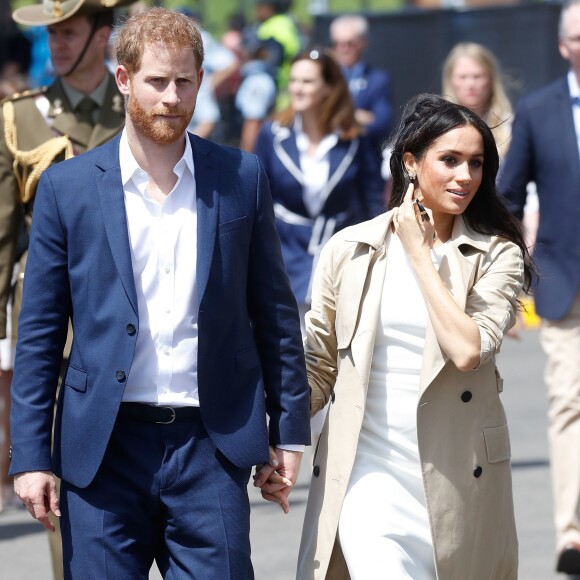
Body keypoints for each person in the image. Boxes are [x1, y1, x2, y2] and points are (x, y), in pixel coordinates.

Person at [9, 7, 310, 579]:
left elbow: (274, 313)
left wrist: (288, 431)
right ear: (124, 80)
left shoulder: (239, 177)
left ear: (201, 80)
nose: (171, 97)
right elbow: (40, 334)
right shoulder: (67, 189)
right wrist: (29, 456)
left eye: (185, 82)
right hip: (102, 449)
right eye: (156, 81)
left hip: (210, 447)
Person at [297, 93, 534, 579]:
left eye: (476, 163)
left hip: (457, 479)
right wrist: (274, 438)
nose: (465, 176)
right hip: (369, 478)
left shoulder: (495, 254)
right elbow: (318, 365)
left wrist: (421, 255)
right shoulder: (351, 249)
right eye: (449, 160)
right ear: (410, 162)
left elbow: (468, 349)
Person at [0, 0, 132, 575]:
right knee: (59, 470)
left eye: (69, 31)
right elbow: (4, 236)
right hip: (50, 320)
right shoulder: (21, 117)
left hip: (127, 314)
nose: (56, 43)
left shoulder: (141, 106)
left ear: (101, 36)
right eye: (50, 33)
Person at [498, 0, 580, 574]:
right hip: (565, 286)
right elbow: (506, 194)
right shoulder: (538, 110)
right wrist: (507, 272)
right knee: (569, 406)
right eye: (579, 36)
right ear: (562, 45)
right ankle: (573, 536)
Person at [254, 48, 385, 332]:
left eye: (308, 82)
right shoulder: (272, 134)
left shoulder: (354, 138)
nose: (297, 88)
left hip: (340, 255)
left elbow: (371, 199)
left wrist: (379, 251)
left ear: (328, 88)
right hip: (285, 253)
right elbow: (257, 198)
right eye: (294, 81)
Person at [330, 14, 393, 156]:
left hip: (365, 158)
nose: (342, 49)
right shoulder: (325, 79)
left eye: (349, 43)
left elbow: (382, 124)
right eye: (337, 43)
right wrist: (359, 116)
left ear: (363, 42)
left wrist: (338, 116)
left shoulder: (378, 79)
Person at [441, 42, 512, 159]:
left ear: (490, 80)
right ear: (451, 80)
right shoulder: (437, 128)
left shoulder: (509, 127)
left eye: (477, 76)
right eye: (462, 77)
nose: (470, 84)